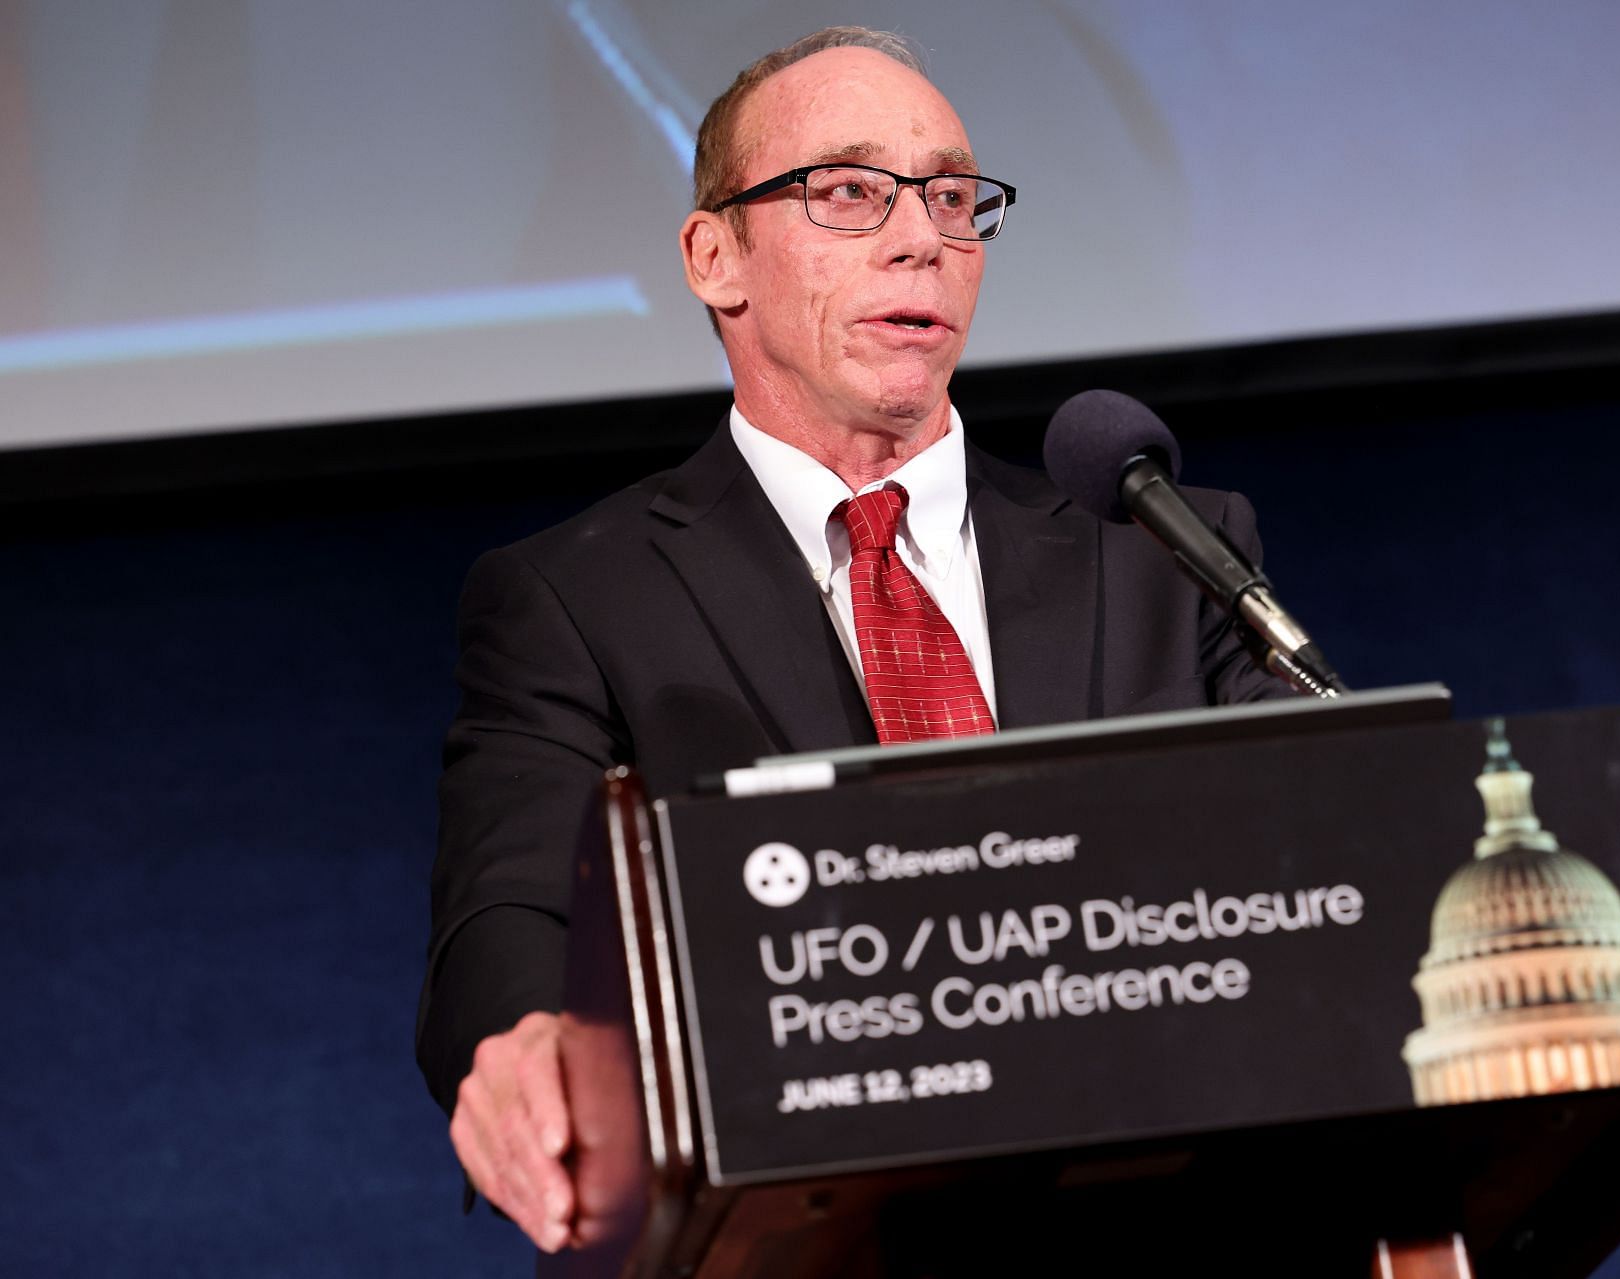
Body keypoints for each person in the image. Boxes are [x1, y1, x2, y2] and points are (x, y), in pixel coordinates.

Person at [416, 26, 1282, 1254]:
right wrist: (523, 1040)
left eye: (949, 196)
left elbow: (1321, 854)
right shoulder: (575, 600)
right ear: (716, 257)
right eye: (849, 192)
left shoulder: (1154, 548)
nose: (922, 234)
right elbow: (508, 913)